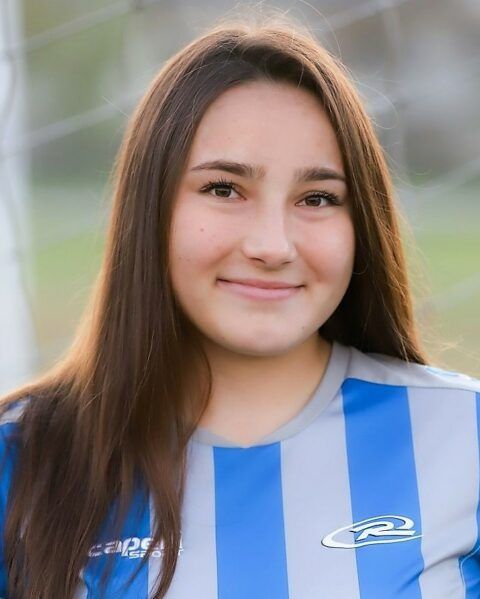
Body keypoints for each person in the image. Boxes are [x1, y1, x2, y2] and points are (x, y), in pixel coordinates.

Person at [0, 10, 479, 599]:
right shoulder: (21, 461)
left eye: (318, 197)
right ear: (149, 211)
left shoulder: (465, 437)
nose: (272, 246)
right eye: (223, 189)